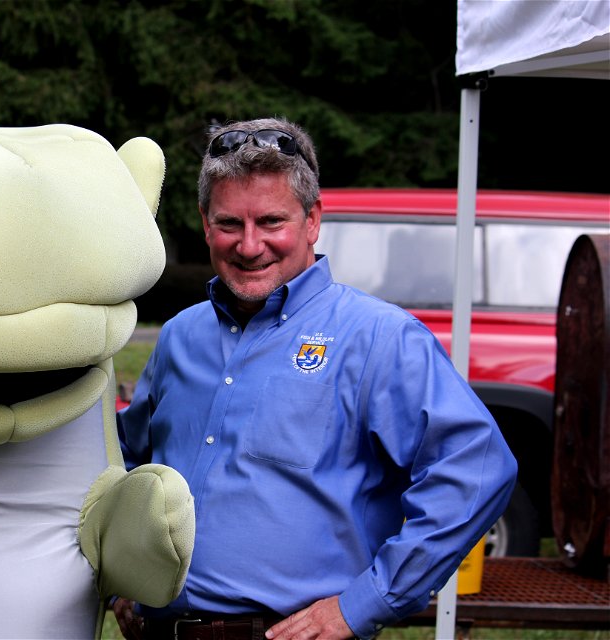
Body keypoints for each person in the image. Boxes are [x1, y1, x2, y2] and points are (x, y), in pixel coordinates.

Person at [113, 117, 518, 640]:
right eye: (230, 224)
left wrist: (365, 601)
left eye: (272, 222)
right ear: (204, 223)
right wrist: (125, 566)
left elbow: (477, 468)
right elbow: (127, 463)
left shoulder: (378, 337)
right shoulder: (180, 337)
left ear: (312, 220)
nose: (250, 245)